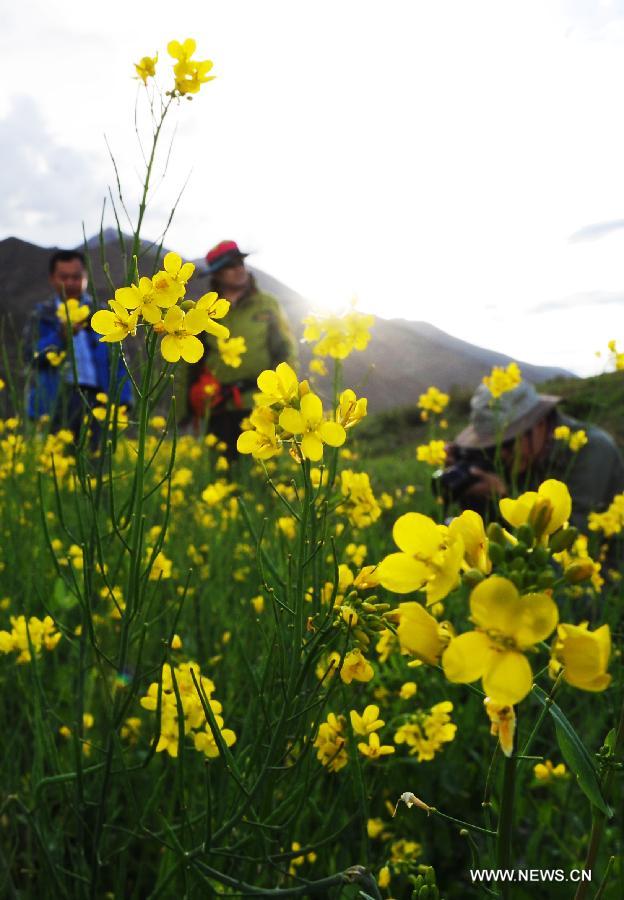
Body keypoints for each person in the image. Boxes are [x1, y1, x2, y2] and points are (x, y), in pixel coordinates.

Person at [442, 379, 624, 530]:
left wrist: (504, 502)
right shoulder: (516, 457)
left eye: (506, 442)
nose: (500, 454)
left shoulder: (591, 451)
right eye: (489, 447)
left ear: (539, 423)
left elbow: (569, 542)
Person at [186, 240, 297, 455]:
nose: (238, 269)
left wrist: (284, 396)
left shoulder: (267, 304)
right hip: (218, 406)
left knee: (262, 473)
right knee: (222, 475)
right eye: (230, 265)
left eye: (240, 262)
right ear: (217, 274)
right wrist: (188, 410)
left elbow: (285, 349)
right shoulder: (204, 310)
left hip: (260, 404)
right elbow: (193, 363)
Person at [24, 249, 132, 439]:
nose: (71, 283)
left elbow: (119, 361)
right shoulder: (41, 315)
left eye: (76, 277)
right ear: (52, 279)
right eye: (64, 277)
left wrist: (123, 401)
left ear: (86, 277)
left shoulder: (103, 313)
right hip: (55, 400)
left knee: (96, 463)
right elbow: (30, 356)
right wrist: (60, 337)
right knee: (56, 463)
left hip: (98, 400)